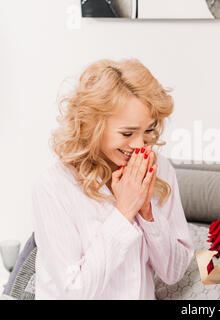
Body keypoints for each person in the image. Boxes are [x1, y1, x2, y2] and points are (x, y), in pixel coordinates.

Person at [31, 59, 194, 299]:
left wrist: (147, 212)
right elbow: (73, 292)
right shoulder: (53, 185)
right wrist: (125, 211)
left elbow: (173, 272)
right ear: (93, 126)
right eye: (127, 133)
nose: (140, 145)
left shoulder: (160, 170)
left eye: (148, 131)